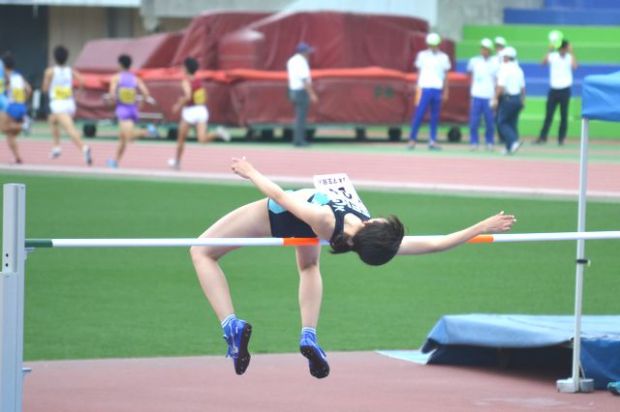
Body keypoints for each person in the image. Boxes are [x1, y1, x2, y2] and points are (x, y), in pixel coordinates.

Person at [189, 157, 516, 378]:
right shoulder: (374, 241)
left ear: (373, 225)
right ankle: (309, 334)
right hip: (309, 230)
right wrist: (480, 226)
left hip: (275, 215)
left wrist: (250, 171)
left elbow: (278, 194)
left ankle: (230, 325)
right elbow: (436, 244)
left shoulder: (327, 219)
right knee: (308, 268)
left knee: (201, 251)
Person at [168, 57, 230, 170]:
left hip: (190, 111)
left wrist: (178, 105)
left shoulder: (186, 81)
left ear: (186, 68)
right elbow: (204, 96)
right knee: (202, 139)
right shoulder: (199, 81)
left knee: (181, 140)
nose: (182, 68)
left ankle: (177, 162)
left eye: (183, 66)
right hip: (201, 110)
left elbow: (187, 96)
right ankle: (217, 133)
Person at [42, 45, 92, 165]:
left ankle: (84, 148)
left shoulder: (50, 71)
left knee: (69, 129)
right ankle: (56, 147)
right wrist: (77, 93)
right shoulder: (71, 70)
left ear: (54, 58)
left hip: (58, 104)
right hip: (69, 103)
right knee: (52, 120)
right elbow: (82, 82)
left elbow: (44, 89)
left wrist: (50, 88)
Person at [106, 54, 157, 168]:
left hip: (122, 110)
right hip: (133, 109)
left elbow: (112, 94)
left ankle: (149, 131)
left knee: (128, 137)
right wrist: (142, 104)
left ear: (120, 65)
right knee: (122, 138)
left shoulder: (116, 78)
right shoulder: (135, 78)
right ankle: (115, 161)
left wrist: (111, 100)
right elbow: (146, 93)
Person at [408, 32, 451, 151]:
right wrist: (417, 87)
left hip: (437, 88)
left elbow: (446, 76)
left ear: (439, 44)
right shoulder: (422, 55)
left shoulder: (444, 57)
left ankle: (432, 141)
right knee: (419, 114)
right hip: (424, 88)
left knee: (435, 116)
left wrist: (446, 91)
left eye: (435, 44)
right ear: (428, 44)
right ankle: (412, 139)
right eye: (431, 44)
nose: (433, 47)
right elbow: (419, 72)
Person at [535, 40, 577, 146]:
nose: (564, 50)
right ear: (560, 48)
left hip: (565, 90)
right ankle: (542, 137)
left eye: (566, 48)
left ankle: (561, 139)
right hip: (554, 89)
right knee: (548, 115)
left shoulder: (569, 57)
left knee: (564, 115)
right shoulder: (553, 56)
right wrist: (549, 50)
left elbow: (575, 67)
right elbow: (542, 63)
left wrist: (572, 53)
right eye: (563, 48)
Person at [494, 47, 526, 155]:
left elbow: (500, 86)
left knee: (502, 123)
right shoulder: (518, 69)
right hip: (517, 98)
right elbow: (522, 88)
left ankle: (513, 142)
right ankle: (509, 147)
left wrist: (494, 98)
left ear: (507, 57)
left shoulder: (504, 68)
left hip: (508, 99)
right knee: (512, 123)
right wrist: (523, 100)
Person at [467, 38, 497, 151]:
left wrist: (495, 97)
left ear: (490, 50)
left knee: (489, 122)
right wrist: (472, 90)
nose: (484, 51)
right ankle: (474, 142)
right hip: (476, 95)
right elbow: (469, 74)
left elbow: (497, 79)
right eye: (482, 48)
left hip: (489, 96)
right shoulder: (474, 61)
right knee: (474, 121)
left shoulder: (495, 62)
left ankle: (489, 142)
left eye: (486, 49)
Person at [1, 53, 31, 164]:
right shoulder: (19, 76)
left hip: (10, 106)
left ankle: (24, 124)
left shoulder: (5, 77)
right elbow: (28, 89)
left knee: (3, 128)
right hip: (21, 106)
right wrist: (23, 101)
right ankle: (18, 158)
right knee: (10, 134)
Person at [286, 42, 318, 147]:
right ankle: (299, 141)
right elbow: (304, 79)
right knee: (301, 117)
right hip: (301, 91)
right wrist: (312, 93)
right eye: (308, 52)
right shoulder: (301, 62)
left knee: (298, 117)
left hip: (293, 90)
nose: (309, 54)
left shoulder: (291, 60)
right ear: (303, 52)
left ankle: (297, 139)